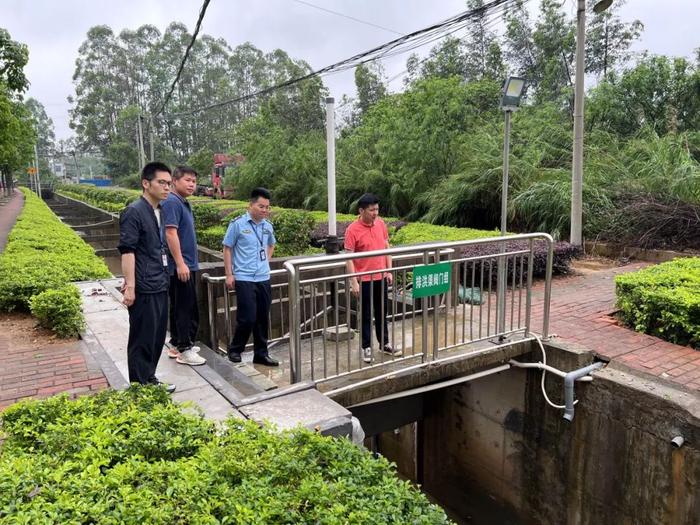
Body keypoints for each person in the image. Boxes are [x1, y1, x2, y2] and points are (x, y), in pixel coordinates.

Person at [118, 161, 175, 392]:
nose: (167, 188)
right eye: (162, 182)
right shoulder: (134, 212)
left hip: (159, 282)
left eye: (169, 183)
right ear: (145, 183)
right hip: (144, 286)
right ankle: (140, 386)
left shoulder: (158, 211)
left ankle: (149, 378)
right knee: (142, 337)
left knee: (157, 335)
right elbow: (128, 250)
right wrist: (130, 285)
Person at [222, 187, 278, 366]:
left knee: (262, 317)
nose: (264, 210)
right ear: (251, 205)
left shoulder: (267, 226)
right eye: (261, 206)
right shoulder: (238, 224)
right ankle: (235, 349)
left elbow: (271, 245)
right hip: (244, 277)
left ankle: (261, 354)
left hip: (263, 277)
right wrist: (229, 274)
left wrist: (266, 262)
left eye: (267, 207)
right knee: (247, 318)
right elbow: (227, 248)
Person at [344, 193, 402, 363]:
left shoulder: (381, 223)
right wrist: (353, 281)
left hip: (381, 276)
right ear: (361, 210)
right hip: (365, 279)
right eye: (371, 210)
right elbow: (348, 257)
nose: (375, 213)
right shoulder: (352, 230)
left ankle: (384, 343)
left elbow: (386, 247)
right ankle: (366, 347)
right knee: (367, 314)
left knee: (382, 311)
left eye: (376, 209)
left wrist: (389, 271)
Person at [161, 165, 206, 366]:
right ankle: (185, 350)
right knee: (185, 308)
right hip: (181, 265)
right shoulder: (172, 202)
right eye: (187, 180)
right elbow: (170, 233)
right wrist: (180, 263)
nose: (191, 184)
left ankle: (177, 344)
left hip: (187, 264)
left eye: (194, 181)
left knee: (180, 305)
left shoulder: (181, 202)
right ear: (175, 181)